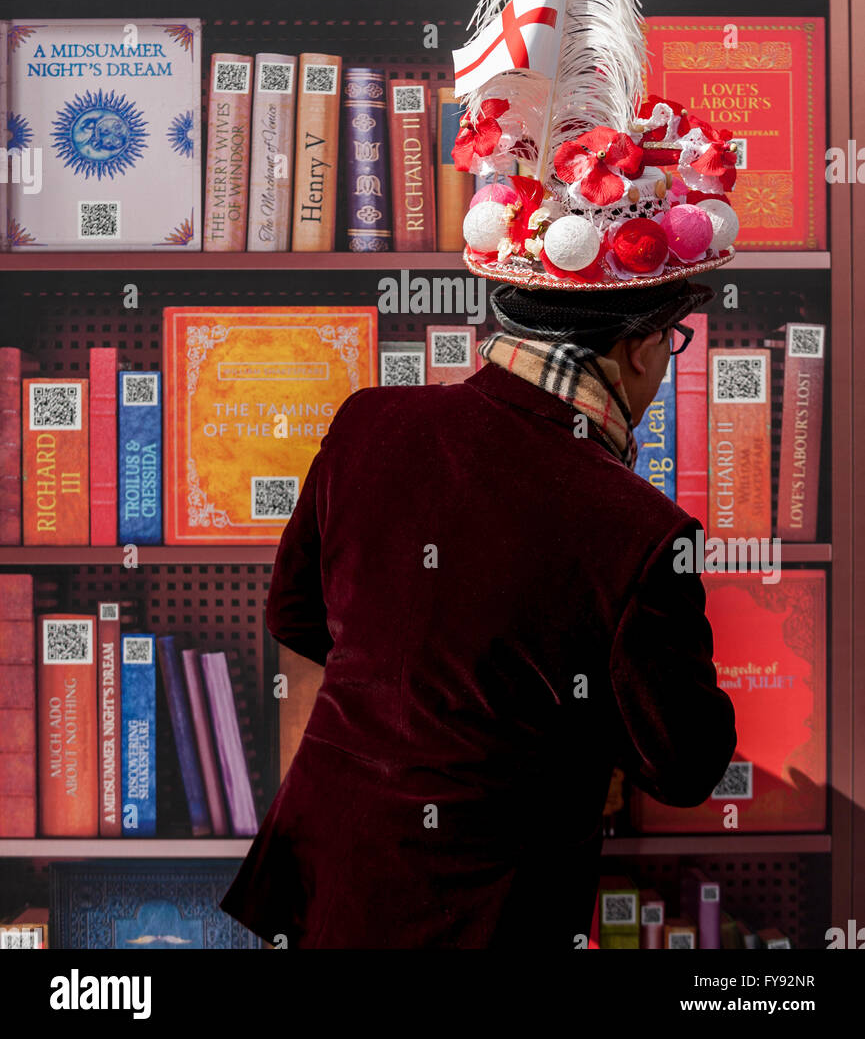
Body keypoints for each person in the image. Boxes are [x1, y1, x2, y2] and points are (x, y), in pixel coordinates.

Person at [219, 275, 737, 949]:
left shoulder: (368, 419)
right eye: (672, 341)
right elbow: (685, 765)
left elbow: (294, 615)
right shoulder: (642, 530)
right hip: (489, 908)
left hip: (325, 869)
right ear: (637, 349)